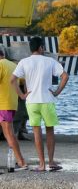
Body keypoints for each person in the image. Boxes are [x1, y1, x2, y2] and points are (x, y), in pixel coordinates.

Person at [10, 36, 68, 172]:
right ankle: (51, 162)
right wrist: (57, 92)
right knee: (49, 131)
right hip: (47, 100)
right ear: (41, 47)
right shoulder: (50, 61)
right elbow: (65, 76)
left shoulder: (24, 62)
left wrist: (22, 95)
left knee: (36, 132)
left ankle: (41, 164)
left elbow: (12, 80)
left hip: (31, 101)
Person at [0, 46, 28, 170]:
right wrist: (24, 95)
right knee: (9, 134)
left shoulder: (1, 65)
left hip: (2, 104)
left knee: (9, 134)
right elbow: (23, 81)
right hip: (11, 104)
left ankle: (21, 162)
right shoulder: (13, 65)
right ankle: (20, 161)